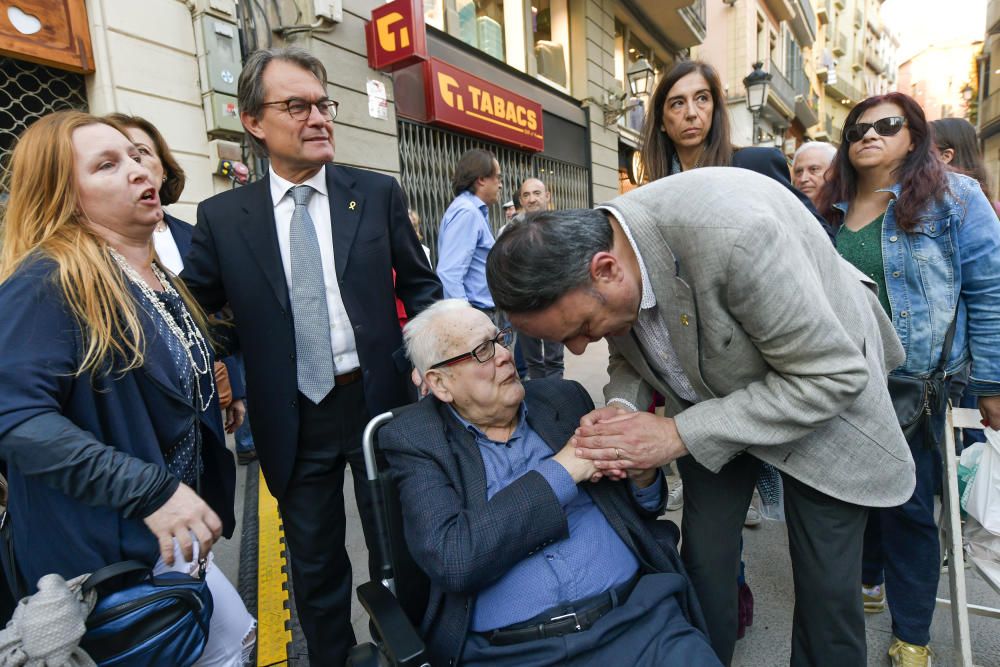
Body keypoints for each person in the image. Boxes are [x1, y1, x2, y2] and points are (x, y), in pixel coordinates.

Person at [486, 168, 916, 667]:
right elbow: (633, 352)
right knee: (705, 560)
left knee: (826, 588)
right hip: (712, 398)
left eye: (582, 327)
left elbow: (831, 377)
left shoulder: (736, 237)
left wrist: (675, 433)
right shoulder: (605, 249)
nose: (582, 345)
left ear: (606, 270)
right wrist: (622, 409)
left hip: (821, 396)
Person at [180, 47, 441, 666]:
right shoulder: (223, 218)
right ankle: (334, 657)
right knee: (316, 563)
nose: (319, 117)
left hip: (381, 403)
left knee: (403, 547)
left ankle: (421, 650)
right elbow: (201, 315)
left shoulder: (374, 193)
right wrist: (214, 369)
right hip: (292, 415)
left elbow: (421, 288)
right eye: (297, 105)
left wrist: (433, 360)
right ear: (252, 121)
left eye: (324, 104)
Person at [0, 111, 255, 664]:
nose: (139, 170)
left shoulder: (157, 276)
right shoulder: (49, 281)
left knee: (234, 644)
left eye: (136, 156)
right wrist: (152, 492)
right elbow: (17, 422)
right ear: (65, 197)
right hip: (103, 564)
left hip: (168, 553)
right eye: (107, 165)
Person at [380, 299, 721, 667]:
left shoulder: (563, 398)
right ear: (440, 383)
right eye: (481, 351)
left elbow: (643, 509)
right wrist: (562, 470)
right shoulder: (417, 439)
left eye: (500, 339)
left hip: (638, 623)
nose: (504, 356)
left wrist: (643, 476)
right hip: (513, 653)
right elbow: (454, 558)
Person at [820, 93, 1000, 667]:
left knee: (911, 511)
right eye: (858, 128)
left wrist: (992, 385)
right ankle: (867, 583)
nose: (869, 135)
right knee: (852, 503)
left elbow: (990, 293)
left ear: (914, 135)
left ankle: (913, 636)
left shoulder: (957, 198)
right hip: (841, 388)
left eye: (887, 125)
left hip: (918, 388)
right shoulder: (828, 211)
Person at [106, 113, 253, 463]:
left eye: (140, 153)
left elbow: (214, 317)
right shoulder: (78, 262)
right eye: (113, 160)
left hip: (203, 408)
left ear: (163, 167)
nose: (133, 167)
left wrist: (233, 385)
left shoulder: (195, 235)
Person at [639, 59, 831, 238]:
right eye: (678, 103)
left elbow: (820, 235)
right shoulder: (658, 194)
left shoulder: (753, 165)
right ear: (661, 122)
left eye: (702, 99)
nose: (691, 113)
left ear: (714, 109)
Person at [436, 149, 502, 321]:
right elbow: (449, 272)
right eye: (497, 177)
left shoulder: (474, 211)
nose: (500, 184)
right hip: (476, 313)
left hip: (481, 311)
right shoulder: (467, 212)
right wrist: (466, 319)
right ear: (481, 179)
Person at [515, 177, 565, 380]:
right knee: (532, 362)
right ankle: (538, 404)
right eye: (526, 194)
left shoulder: (561, 227)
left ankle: (556, 402)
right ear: (521, 199)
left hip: (554, 304)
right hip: (525, 306)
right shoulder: (512, 231)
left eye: (536, 193)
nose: (532, 199)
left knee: (554, 361)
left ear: (547, 196)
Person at [791, 141, 837, 207]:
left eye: (814, 169)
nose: (803, 179)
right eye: (799, 171)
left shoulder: (850, 213)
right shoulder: (783, 213)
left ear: (833, 173)